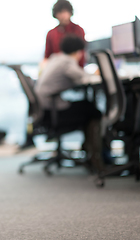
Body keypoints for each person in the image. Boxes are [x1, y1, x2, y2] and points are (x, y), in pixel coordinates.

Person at [35, 34, 104, 173]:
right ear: (79, 51)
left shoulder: (56, 58)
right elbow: (83, 78)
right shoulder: (67, 63)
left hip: (45, 109)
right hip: (54, 111)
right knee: (92, 110)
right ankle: (95, 157)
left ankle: (90, 152)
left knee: (86, 106)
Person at [40, 0, 85, 70]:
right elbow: (47, 57)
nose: (63, 15)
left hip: (75, 70)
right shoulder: (51, 34)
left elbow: (81, 55)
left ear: (70, 12)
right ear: (56, 15)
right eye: (60, 12)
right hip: (56, 71)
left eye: (66, 11)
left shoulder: (78, 30)